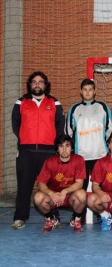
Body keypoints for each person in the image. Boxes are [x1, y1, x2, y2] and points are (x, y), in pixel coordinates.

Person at [11, 71, 64, 229]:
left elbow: (60, 125)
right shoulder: (21, 102)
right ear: (30, 85)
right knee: (24, 186)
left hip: (48, 152)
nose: (37, 84)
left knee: (50, 187)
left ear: (45, 85)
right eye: (34, 82)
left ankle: (54, 216)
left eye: (40, 82)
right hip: (26, 151)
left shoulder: (54, 103)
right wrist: (25, 139)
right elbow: (16, 124)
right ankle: (20, 218)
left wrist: (52, 143)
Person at [65, 79, 112, 192]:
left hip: (100, 154)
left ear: (95, 91)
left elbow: (110, 129)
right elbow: (68, 132)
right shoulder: (74, 109)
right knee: (80, 188)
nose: (87, 92)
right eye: (85, 90)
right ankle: (79, 210)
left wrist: (103, 145)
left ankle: (101, 210)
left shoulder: (103, 107)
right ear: (81, 91)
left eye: (90, 89)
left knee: (101, 187)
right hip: (81, 155)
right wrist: (73, 150)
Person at [33, 135, 87, 233]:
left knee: (82, 194)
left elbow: (79, 183)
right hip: (54, 197)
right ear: (57, 149)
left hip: (70, 196)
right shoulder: (49, 162)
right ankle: (50, 219)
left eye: (67, 146)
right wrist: (51, 193)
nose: (64, 149)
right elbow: (41, 184)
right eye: (61, 146)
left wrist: (65, 191)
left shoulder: (79, 160)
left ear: (71, 148)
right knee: (38, 197)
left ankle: (76, 219)